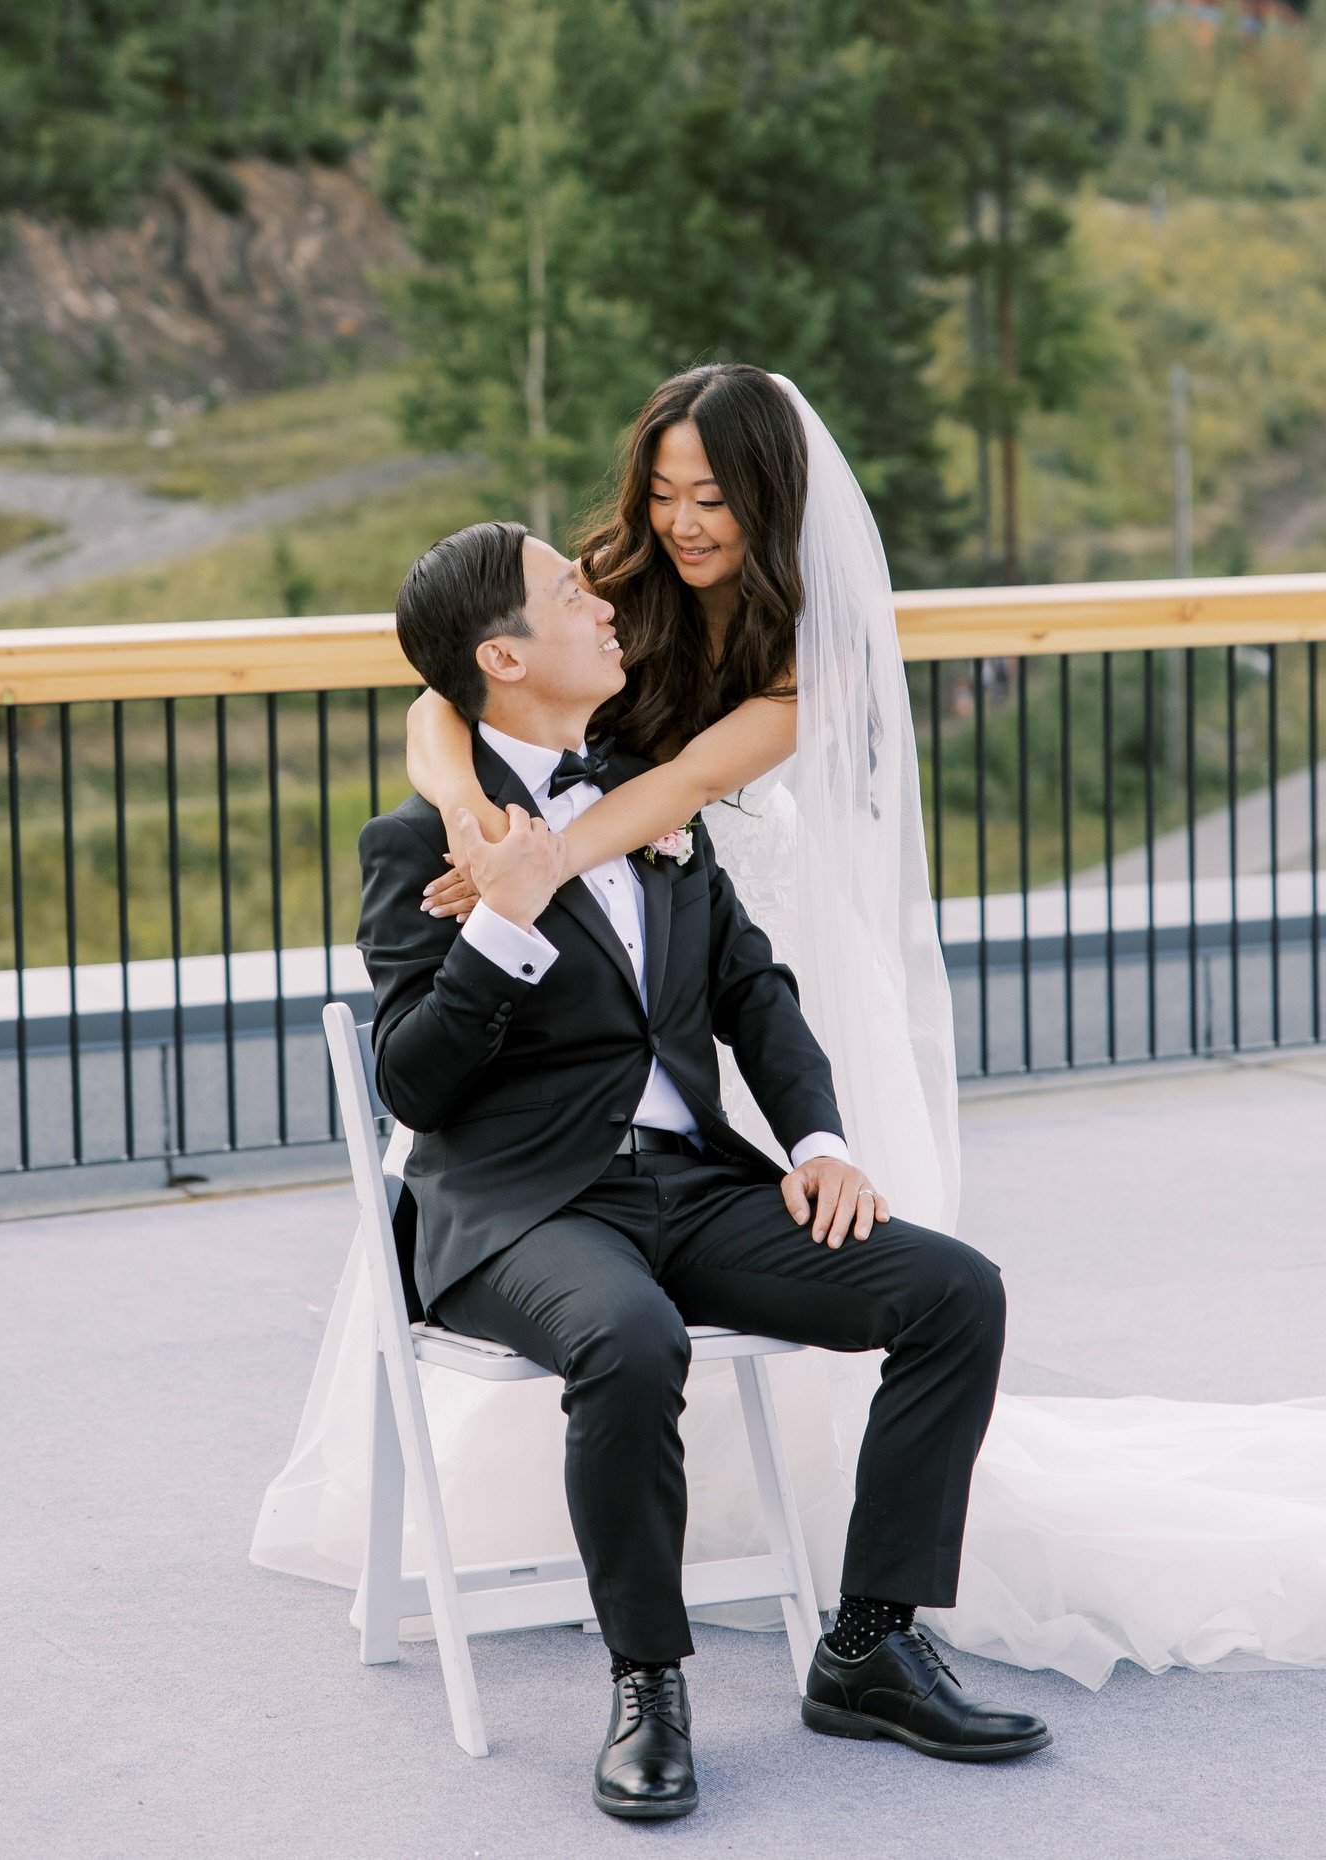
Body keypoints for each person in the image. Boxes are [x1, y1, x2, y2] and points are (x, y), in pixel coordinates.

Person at [254, 365, 1326, 1694]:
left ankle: (863, 1624)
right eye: (664, 492)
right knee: (618, 1315)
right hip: (556, 1008)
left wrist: (557, 872)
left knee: (922, 1273)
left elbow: (686, 798)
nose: (682, 522)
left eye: (713, 497)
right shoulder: (585, 603)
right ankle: (646, 1658)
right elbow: (445, 692)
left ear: (772, 501)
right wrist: (481, 838)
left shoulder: (797, 657)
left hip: (708, 924)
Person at [349, 516, 1049, 1816]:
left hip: (694, 1188)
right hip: (522, 1211)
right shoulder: (417, 845)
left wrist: (822, 1143)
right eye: (571, 592)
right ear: (504, 657)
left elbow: (751, 989)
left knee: (955, 1291)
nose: (603, 605)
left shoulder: (647, 803)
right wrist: (500, 919)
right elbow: (410, 1080)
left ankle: (871, 1646)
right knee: (630, 1339)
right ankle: (648, 1683)